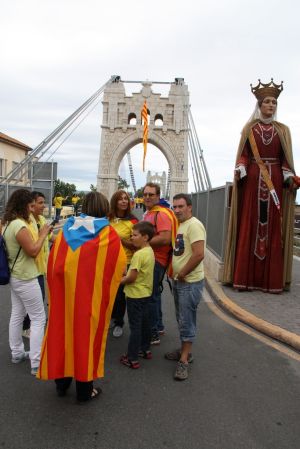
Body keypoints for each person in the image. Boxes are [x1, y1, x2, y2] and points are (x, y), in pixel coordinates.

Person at [37, 192, 126, 402]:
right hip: (89, 297)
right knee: (86, 337)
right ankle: (85, 390)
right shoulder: (107, 232)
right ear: (105, 208)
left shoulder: (67, 229)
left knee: (62, 332)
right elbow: (119, 264)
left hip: (65, 296)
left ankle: (61, 384)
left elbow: (55, 263)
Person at [223, 79, 299, 293]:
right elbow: (244, 156)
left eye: (274, 102)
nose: (271, 105)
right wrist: (241, 169)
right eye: (267, 101)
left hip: (274, 178)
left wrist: (288, 176)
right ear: (259, 105)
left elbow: (286, 160)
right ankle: (245, 279)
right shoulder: (249, 129)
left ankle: (271, 281)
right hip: (253, 182)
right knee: (250, 224)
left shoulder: (283, 131)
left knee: (273, 227)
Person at [2, 189, 51, 375]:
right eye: (30, 206)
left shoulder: (8, 223)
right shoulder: (19, 226)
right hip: (26, 277)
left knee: (18, 314)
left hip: (16, 275)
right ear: (23, 205)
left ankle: (17, 352)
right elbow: (33, 251)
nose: (32, 209)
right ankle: (36, 362)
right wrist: (43, 233)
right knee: (38, 318)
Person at [165, 193, 206, 381]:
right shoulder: (182, 225)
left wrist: (182, 273)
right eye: (175, 207)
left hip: (189, 282)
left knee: (187, 320)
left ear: (189, 207)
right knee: (181, 318)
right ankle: (184, 351)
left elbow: (199, 254)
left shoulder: (195, 225)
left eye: (181, 206)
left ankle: (184, 360)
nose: (177, 210)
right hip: (180, 281)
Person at [143, 182, 178, 345]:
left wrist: (142, 244)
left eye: (151, 194)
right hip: (150, 258)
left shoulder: (161, 214)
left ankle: (153, 333)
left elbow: (164, 238)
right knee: (154, 295)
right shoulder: (150, 213)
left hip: (157, 260)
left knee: (149, 297)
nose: (148, 197)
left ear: (158, 196)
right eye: (145, 194)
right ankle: (158, 326)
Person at [120, 221, 155, 369]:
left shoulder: (138, 255)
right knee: (145, 323)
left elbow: (131, 278)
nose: (132, 238)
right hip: (146, 294)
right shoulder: (150, 251)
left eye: (135, 235)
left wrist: (119, 280)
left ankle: (132, 358)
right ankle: (145, 350)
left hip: (134, 296)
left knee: (135, 326)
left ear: (145, 237)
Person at [22, 191, 56, 338]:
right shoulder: (25, 222)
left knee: (38, 298)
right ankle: (28, 327)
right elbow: (32, 246)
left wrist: (68, 239)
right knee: (37, 298)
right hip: (31, 268)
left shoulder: (42, 219)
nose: (44, 206)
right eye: (40, 203)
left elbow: (50, 237)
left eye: (44, 202)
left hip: (42, 267)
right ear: (32, 204)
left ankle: (31, 323)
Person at [108, 190, 138, 338]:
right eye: (120, 199)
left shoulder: (133, 221)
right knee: (109, 294)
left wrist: (118, 240)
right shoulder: (108, 219)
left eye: (126, 199)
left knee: (120, 295)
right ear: (115, 202)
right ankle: (112, 318)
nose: (124, 201)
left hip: (125, 262)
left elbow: (136, 245)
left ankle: (119, 322)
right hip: (108, 261)